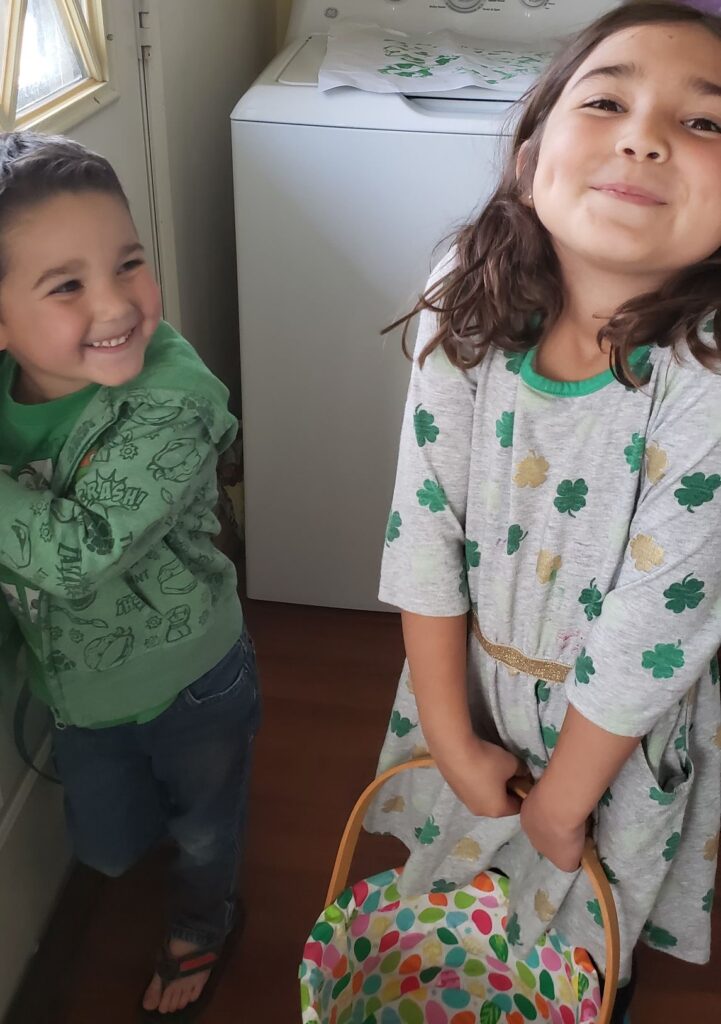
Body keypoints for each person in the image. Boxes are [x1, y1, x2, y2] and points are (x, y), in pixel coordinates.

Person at [365, 3, 721, 1020]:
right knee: (463, 885)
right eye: (605, 100)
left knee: (591, 923)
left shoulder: (700, 367)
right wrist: (444, 727)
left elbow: (662, 618)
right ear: (530, 154)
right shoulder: (466, 293)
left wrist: (564, 800)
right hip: (469, 680)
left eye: (705, 123)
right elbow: (422, 521)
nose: (645, 135)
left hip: (616, 729)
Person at [0, 131, 260, 1021]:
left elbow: (73, 552)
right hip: (78, 689)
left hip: (193, 679)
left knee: (203, 828)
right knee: (109, 847)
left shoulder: (169, 405)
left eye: (129, 264)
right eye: (67, 284)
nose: (117, 304)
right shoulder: (14, 383)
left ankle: (203, 922)